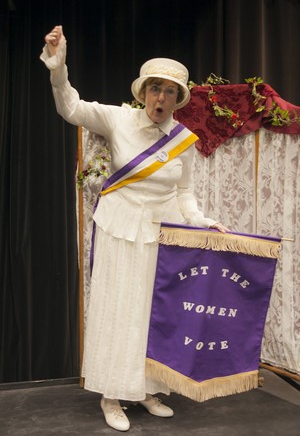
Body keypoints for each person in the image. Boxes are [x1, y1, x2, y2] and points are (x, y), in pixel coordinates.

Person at [41, 25, 229, 432]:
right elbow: (71, 107)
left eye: (170, 91)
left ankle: (144, 388)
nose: (161, 98)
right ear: (143, 92)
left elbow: (186, 193)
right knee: (119, 310)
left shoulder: (184, 140)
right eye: (155, 89)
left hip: (161, 235)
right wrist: (58, 67)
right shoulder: (117, 119)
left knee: (153, 315)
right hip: (119, 229)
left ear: (179, 99)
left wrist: (202, 220)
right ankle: (111, 394)